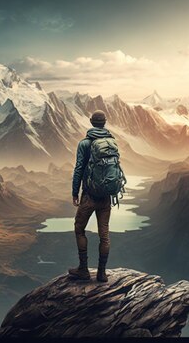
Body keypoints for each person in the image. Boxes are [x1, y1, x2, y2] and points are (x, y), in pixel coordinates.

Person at [68, 110, 116, 283]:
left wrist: (75, 192)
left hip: (89, 196)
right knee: (104, 235)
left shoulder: (85, 144)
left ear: (91, 122)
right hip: (105, 197)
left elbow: (79, 169)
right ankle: (102, 273)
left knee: (79, 229)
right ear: (105, 122)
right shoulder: (111, 142)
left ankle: (83, 269)